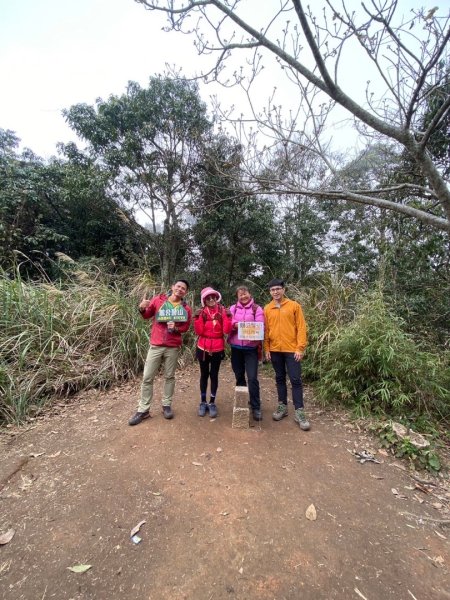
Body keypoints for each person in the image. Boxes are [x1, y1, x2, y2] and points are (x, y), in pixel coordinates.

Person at [128, 279, 192, 426]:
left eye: (183, 288)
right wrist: (142, 308)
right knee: (147, 377)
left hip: (172, 346)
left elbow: (186, 327)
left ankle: (166, 405)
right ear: (172, 287)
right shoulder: (159, 300)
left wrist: (176, 328)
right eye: (178, 286)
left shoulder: (185, 308)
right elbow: (146, 315)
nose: (180, 289)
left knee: (169, 376)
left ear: (185, 292)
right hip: (156, 344)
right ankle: (143, 409)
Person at [264, 278, 310, 431]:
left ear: (283, 290)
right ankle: (282, 406)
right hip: (275, 349)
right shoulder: (267, 309)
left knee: (295, 379)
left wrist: (300, 348)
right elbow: (266, 331)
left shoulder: (294, 306)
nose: (275, 292)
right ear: (270, 292)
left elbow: (301, 328)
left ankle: (299, 411)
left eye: (278, 289)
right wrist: (267, 349)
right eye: (272, 290)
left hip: (292, 349)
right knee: (279, 378)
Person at [194, 286, 232, 418]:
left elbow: (226, 331)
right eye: (208, 298)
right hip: (203, 347)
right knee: (204, 374)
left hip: (217, 347)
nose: (211, 299)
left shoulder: (222, 311)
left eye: (213, 297)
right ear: (204, 300)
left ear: (217, 298)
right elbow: (198, 332)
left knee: (214, 374)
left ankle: (212, 402)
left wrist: (228, 317)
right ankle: (203, 402)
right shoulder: (202, 312)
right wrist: (197, 318)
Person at [228, 286, 264, 421]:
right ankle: (242, 403)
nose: (243, 297)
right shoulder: (233, 308)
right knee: (239, 375)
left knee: (252, 378)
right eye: (240, 295)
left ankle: (256, 406)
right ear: (237, 297)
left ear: (250, 294)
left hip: (251, 349)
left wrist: (245, 327)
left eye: (245, 294)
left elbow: (260, 324)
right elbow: (228, 321)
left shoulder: (257, 309)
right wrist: (236, 324)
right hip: (236, 347)